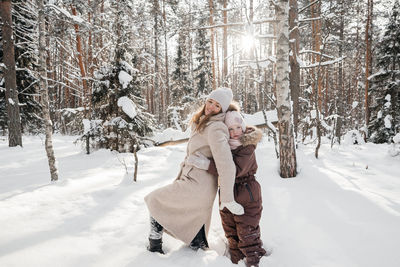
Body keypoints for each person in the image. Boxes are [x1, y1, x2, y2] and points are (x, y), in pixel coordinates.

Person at [144, 87, 244, 254]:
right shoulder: (203, 122)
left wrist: (227, 198)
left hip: (199, 186)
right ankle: (195, 245)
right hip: (192, 181)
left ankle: (154, 245)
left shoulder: (216, 128)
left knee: (156, 200)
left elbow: (226, 165)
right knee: (195, 223)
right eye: (210, 101)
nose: (211, 107)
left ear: (223, 110)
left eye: (217, 106)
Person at [187, 108, 266, 267]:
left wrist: (207, 165)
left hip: (246, 191)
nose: (235, 132)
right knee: (231, 231)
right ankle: (235, 261)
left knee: (247, 232)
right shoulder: (224, 146)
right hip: (227, 192)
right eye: (230, 129)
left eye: (238, 127)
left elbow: (233, 170)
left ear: (243, 127)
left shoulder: (247, 146)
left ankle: (254, 261)